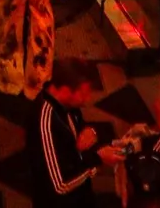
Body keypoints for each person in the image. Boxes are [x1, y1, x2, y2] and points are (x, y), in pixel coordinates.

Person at [29, 59, 119, 208]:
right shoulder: (45, 122)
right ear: (65, 91)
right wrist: (97, 160)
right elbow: (59, 186)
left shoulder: (66, 104)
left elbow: (79, 129)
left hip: (80, 191)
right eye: (83, 94)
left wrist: (91, 132)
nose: (87, 99)